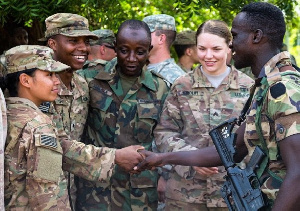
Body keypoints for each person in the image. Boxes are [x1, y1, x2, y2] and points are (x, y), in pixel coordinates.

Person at [136, 2, 300, 210]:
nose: (232, 45)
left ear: (256, 37)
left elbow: (298, 172)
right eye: (202, 48)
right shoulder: (264, 87)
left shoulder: (284, 89)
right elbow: (233, 150)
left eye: (235, 36)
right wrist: (162, 157)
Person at [3, 45, 145, 210]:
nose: (57, 81)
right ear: (25, 80)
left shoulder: (7, 112)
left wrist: (114, 157)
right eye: (49, 75)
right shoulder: (39, 126)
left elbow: (63, 147)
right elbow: (48, 196)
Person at [155, 20, 253, 211]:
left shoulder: (248, 87)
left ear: (229, 48)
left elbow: (256, 137)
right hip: (185, 197)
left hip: (233, 196)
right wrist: (193, 157)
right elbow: (164, 132)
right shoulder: (181, 85)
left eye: (216, 49)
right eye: (202, 49)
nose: (208, 56)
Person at [76, 19, 169, 211]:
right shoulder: (90, 78)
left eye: (140, 52)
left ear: (149, 49)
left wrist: (164, 176)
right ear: (115, 48)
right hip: (96, 190)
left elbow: (165, 136)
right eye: (124, 50)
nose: (131, 58)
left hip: (138, 193)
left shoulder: (160, 88)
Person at [37, 13, 100, 209]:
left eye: (86, 41)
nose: (83, 48)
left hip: (72, 190)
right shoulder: (36, 85)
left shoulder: (81, 84)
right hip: (41, 194)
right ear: (52, 44)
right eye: (73, 41)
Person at [143, 14, 185, 86]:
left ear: (161, 39)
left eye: (145, 34)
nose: (139, 38)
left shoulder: (177, 79)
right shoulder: (136, 68)